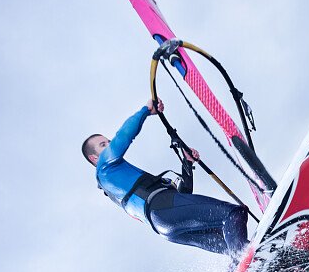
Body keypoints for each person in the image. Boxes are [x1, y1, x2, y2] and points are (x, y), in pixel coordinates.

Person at [82, 99, 250, 259]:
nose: (110, 145)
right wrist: (146, 110)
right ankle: (247, 267)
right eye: (103, 145)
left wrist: (187, 163)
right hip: (163, 210)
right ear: (94, 158)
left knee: (228, 240)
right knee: (233, 214)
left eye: (108, 142)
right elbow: (123, 136)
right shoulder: (103, 168)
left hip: (166, 227)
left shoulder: (120, 185)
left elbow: (184, 196)